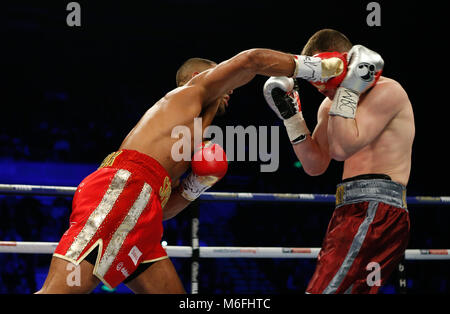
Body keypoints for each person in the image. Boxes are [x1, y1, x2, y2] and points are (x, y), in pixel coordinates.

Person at [37, 48, 344, 293]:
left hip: (143, 211)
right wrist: (318, 68)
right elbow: (251, 59)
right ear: (200, 76)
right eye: (226, 84)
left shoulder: (188, 139)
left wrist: (195, 185)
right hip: (123, 189)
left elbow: (163, 210)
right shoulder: (190, 93)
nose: (232, 92)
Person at [264, 29, 415, 294]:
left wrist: (350, 86)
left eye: (324, 74)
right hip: (350, 209)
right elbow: (315, 165)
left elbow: (343, 147)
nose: (320, 86)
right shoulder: (330, 106)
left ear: (344, 62)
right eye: (314, 77)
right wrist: (292, 117)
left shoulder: (388, 91)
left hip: (377, 209)